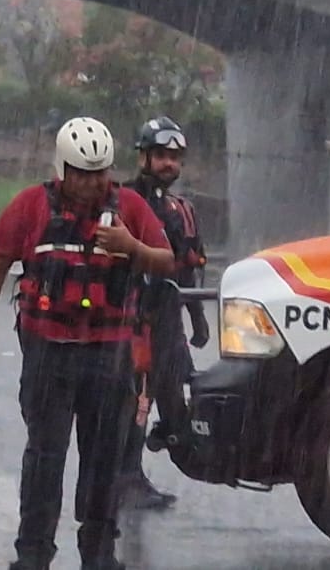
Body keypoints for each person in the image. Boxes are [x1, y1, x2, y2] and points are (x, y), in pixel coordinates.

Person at [0, 117, 176, 570]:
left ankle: (98, 553)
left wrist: (131, 245)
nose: (90, 183)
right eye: (81, 174)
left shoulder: (131, 208)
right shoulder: (29, 207)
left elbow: (166, 262)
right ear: (62, 169)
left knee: (103, 459)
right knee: (45, 457)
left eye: (99, 173)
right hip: (49, 354)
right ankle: (33, 554)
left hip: (108, 356)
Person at [117, 116, 212, 510]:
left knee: (176, 399)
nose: (168, 163)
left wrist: (199, 320)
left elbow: (188, 267)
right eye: (160, 155)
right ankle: (126, 477)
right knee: (137, 398)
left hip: (170, 322)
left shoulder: (181, 209)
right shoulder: (123, 201)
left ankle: (165, 441)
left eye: (174, 157)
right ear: (143, 157)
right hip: (135, 319)